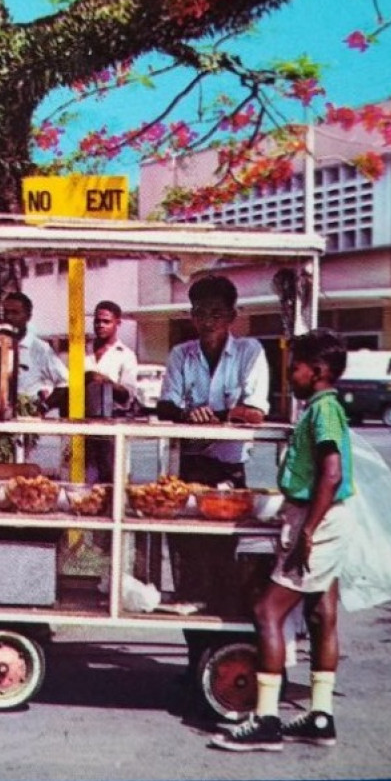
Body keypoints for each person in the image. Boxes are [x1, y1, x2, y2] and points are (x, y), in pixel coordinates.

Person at [211, 328, 354, 751]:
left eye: (296, 368)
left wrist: (307, 530)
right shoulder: (321, 407)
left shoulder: (324, 410)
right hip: (326, 520)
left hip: (317, 522)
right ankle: (320, 715)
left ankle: (267, 719)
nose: (289, 375)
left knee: (267, 611)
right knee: (321, 613)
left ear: (319, 371)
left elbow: (332, 473)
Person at [155, 276, 269, 678]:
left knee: (225, 562)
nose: (208, 321)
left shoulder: (250, 352)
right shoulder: (181, 354)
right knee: (189, 565)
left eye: (217, 314)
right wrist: (187, 414)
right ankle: (196, 655)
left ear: (233, 316)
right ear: (191, 316)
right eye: (201, 313)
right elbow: (165, 406)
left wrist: (214, 414)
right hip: (189, 471)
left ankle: (225, 652)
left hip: (228, 471)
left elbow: (255, 411)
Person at [84, 300, 142, 483]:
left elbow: (128, 394)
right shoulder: (82, 351)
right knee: (83, 480)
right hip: (81, 424)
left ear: (118, 323)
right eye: (97, 321)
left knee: (112, 480)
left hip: (112, 427)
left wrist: (105, 381)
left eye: (106, 321)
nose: (100, 325)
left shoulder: (126, 355)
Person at [1, 292, 69, 409]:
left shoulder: (40, 349)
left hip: (27, 418)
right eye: (6, 312)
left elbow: (65, 382)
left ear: (28, 316)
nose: (9, 317)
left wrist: (44, 407)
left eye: (15, 313)